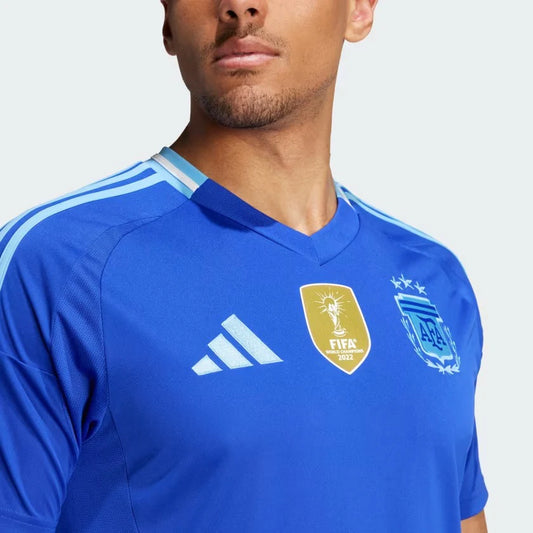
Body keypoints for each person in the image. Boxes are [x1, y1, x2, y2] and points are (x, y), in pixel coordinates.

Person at [0, 0, 489, 531]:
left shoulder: (433, 280)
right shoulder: (61, 268)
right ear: (167, 21)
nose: (239, 5)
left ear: (359, 10)